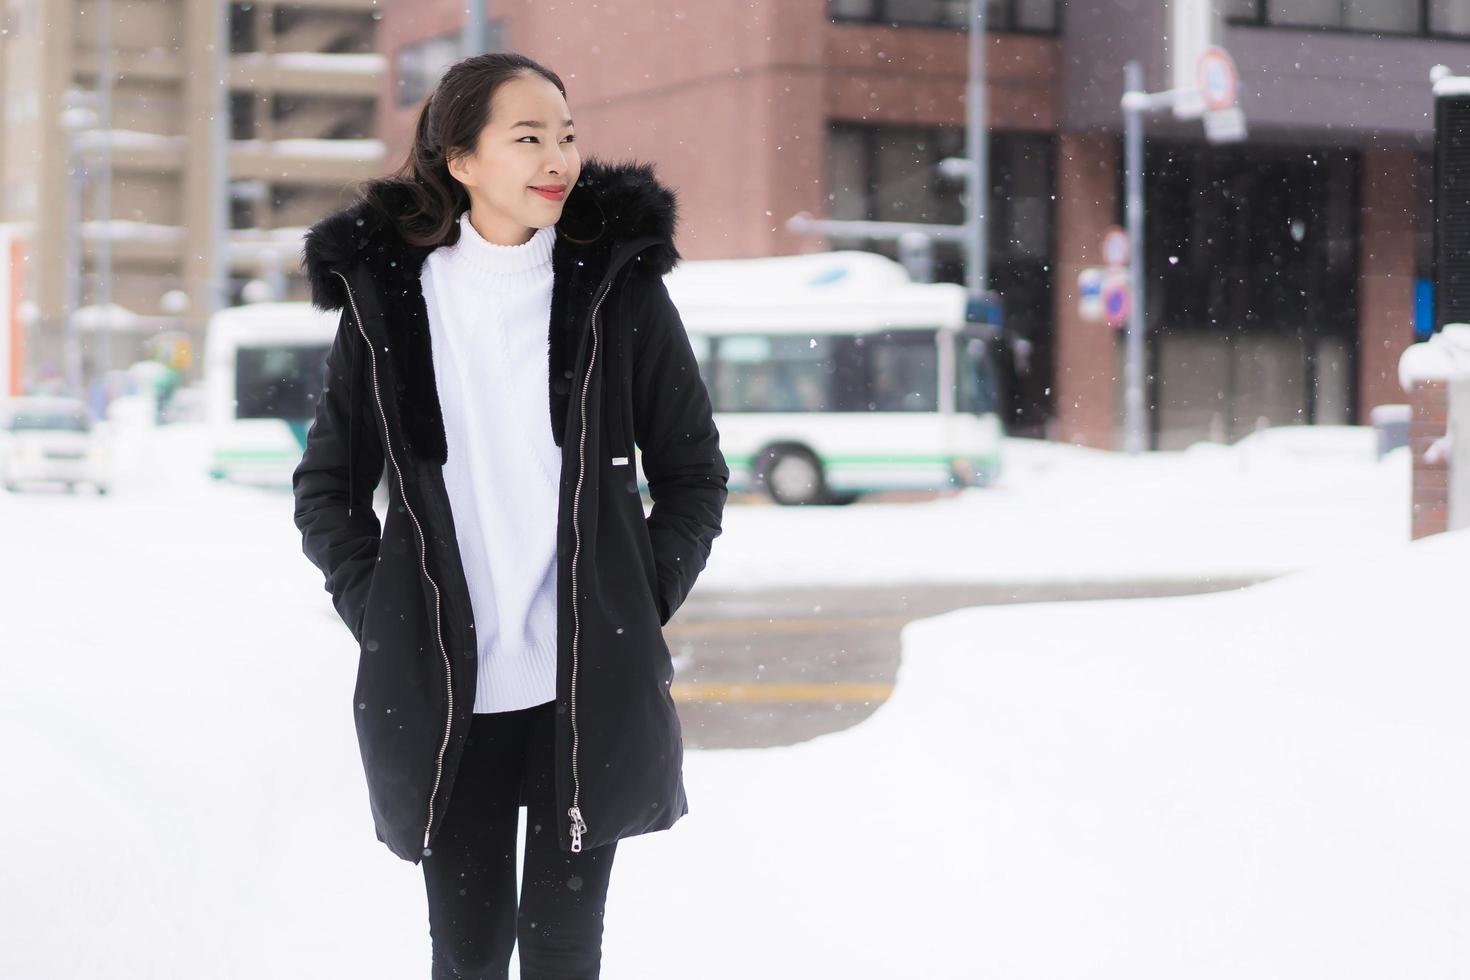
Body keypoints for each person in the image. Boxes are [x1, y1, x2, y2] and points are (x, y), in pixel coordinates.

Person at [292, 51, 729, 979]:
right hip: (448, 689)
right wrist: (384, 613)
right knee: (469, 956)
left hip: (584, 680)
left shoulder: (622, 292)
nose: (556, 159)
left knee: (565, 954)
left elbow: (693, 471)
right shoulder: (390, 301)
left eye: (566, 135)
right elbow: (328, 488)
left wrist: (637, 594)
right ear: (459, 158)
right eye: (527, 137)